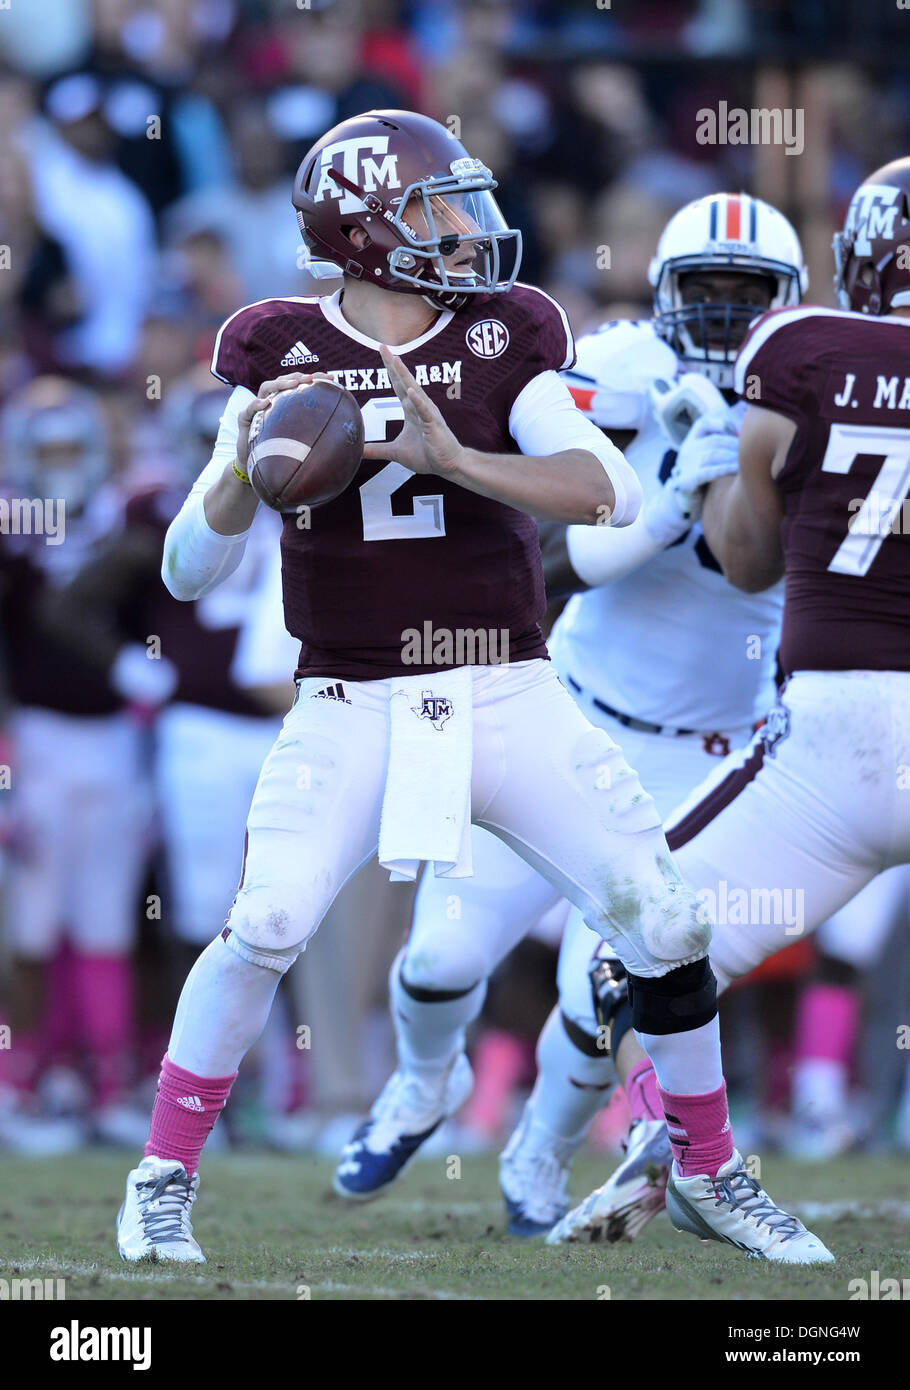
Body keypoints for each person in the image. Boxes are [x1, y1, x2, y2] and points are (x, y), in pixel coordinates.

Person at [114, 111, 829, 1266]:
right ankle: (160, 1178)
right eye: (438, 210)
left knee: (666, 918)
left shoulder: (506, 333)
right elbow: (188, 572)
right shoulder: (275, 348)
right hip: (351, 700)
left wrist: (455, 457)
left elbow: (598, 492)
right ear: (364, 231)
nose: (469, 232)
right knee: (267, 923)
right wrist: (240, 478)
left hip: (508, 689)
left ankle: (708, 1168)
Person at [330, 193, 805, 1237]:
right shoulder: (623, 371)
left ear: (788, 303)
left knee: (605, 992)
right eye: (705, 290)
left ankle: (538, 1153)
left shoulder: (803, 399)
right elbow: (531, 562)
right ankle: (420, 1083)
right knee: (443, 960)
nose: (724, 316)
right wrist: (661, 495)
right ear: (666, 294)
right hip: (571, 717)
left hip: (707, 758)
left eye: (748, 294)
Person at [552, 156, 910, 1243]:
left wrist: (708, 455)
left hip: (837, 736)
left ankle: (703, 1159)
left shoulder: (797, 351)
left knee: (641, 937)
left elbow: (747, 561)